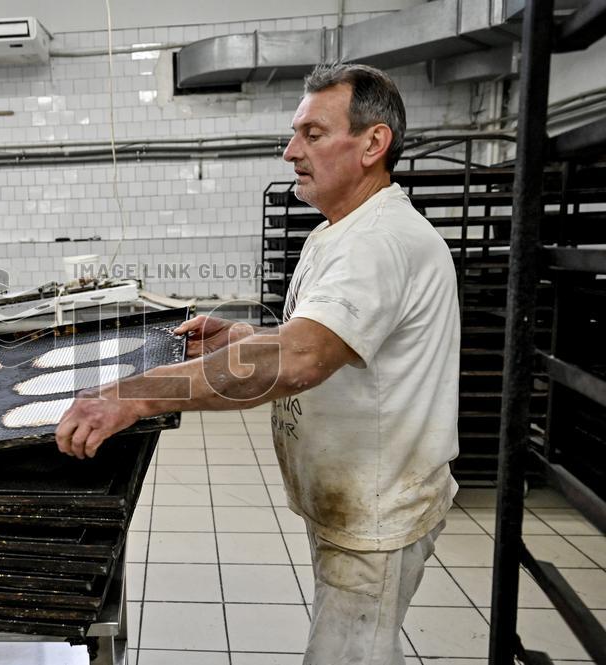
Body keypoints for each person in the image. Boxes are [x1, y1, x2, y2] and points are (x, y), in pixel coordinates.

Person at [55, 62, 460, 665]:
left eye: (313, 134)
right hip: (354, 494)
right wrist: (242, 337)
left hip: (377, 508)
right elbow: (325, 337)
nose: (292, 151)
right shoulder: (343, 232)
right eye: (295, 135)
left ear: (374, 143)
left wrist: (134, 395)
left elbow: (301, 358)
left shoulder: (380, 242)